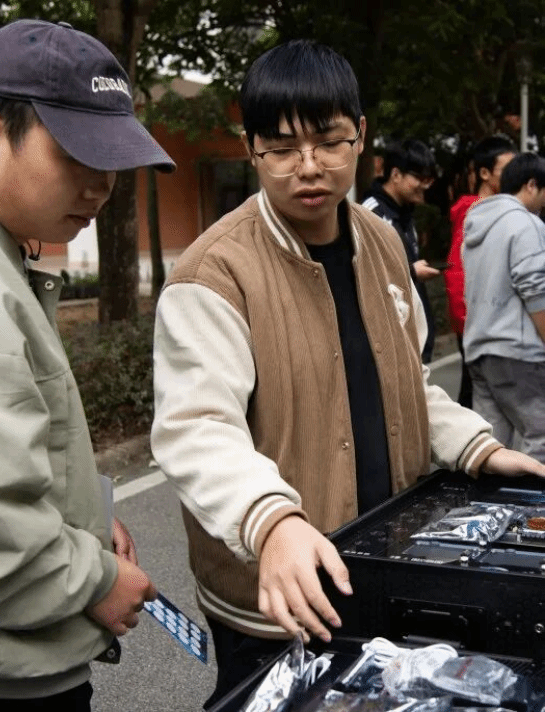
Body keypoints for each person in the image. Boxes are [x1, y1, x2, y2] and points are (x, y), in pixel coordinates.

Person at [151, 40, 545, 707]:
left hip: (381, 566)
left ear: (360, 136)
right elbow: (197, 429)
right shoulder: (214, 272)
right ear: (251, 149)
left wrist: (478, 447)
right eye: (282, 148)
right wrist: (272, 522)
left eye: (329, 142)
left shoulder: (381, 242)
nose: (309, 167)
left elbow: (408, 384)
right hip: (276, 595)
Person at [0, 19, 175, 710]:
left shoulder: (6, 262)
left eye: (113, 161)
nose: (101, 186)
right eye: (77, 153)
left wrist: (83, 519)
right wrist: (94, 579)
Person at [463, 152, 545, 463]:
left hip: (479, 350)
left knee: (493, 446)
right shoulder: (526, 223)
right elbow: (536, 290)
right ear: (532, 185)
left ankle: (491, 497)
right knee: (541, 437)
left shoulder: (476, 224)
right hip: (518, 351)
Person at [444, 136, 516, 407]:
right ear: (485, 173)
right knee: (476, 396)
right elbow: (456, 271)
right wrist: (468, 323)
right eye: (506, 170)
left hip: (488, 321)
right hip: (477, 323)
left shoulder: (496, 210)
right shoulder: (474, 212)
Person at [362, 139, 439, 362]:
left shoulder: (405, 215)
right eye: (420, 178)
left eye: (429, 180)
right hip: (391, 346)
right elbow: (366, 276)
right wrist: (412, 272)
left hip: (412, 343)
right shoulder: (371, 213)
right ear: (396, 175)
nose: (425, 186)